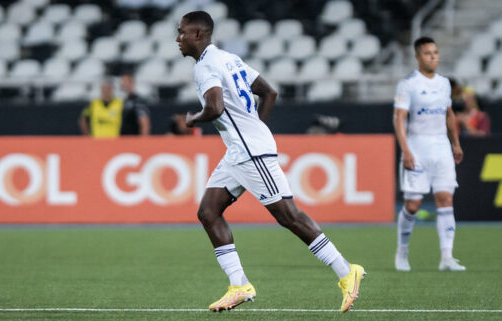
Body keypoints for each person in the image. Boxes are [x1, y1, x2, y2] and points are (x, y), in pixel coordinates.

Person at [176, 11, 365, 313]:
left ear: (198, 34)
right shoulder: (229, 59)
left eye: (182, 32)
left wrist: (192, 119)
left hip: (250, 151)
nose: (177, 39)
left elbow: (214, 107)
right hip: (239, 152)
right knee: (208, 212)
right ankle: (239, 285)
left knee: (288, 216)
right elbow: (269, 91)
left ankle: (346, 271)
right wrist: (256, 127)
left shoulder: (206, 66)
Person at [393, 37, 465, 272]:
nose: (433, 57)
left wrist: (455, 142)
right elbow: (399, 118)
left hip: (441, 147)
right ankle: (402, 251)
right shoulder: (408, 84)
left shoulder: (444, 83)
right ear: (418, 57)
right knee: (413, 204)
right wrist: (405, 149)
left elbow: (449, 114)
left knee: (445, 200)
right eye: (427, 53)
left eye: (435, 52)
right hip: (417, 147)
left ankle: (447, 257)